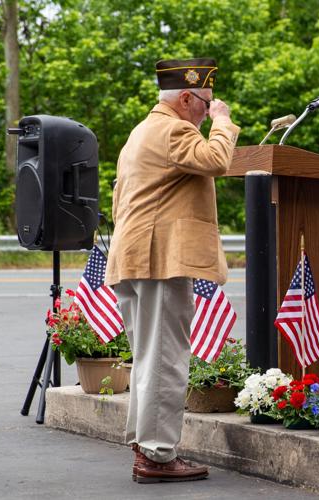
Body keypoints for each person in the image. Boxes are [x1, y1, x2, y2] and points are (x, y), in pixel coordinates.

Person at [105, 57, 239, 483]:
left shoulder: (141, 131)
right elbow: (217, 158)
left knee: (149, 357)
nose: (209, 108)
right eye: (206, 101)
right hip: (158, 259)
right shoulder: (174, 129)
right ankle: (159, 456)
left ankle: (147, 444)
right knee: (166, 358)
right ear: (186, 98)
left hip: (136, 256)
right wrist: (223, 121)